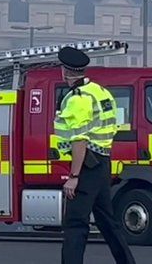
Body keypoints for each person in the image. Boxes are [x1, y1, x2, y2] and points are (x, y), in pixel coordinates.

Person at [54, 47, 135, 264]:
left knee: (75, 224)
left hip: (86, 165)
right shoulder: (100, 91)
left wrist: (74, 176)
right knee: (108, 221)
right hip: (102, 163)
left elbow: (79, 140)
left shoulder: (77, 99)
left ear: (65, 71)